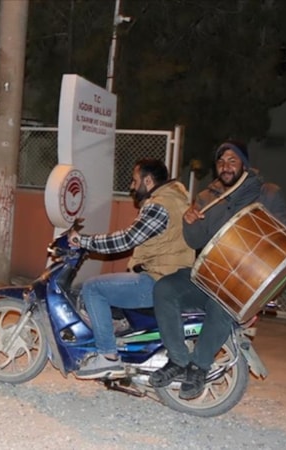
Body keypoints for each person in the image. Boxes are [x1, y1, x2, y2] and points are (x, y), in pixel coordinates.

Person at [149, 140, 286, 398]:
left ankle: (199, 366)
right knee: (165, 288)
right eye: (220, 162)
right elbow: (195, 241)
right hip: (205, 276)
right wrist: (190, 222)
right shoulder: (207, 197)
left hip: (241, 284)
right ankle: (178, 360)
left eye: (232, 160)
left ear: (244, 164)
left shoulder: (267, 193)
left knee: (223, 303)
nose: (225, 167)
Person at [67, 158, 195, 379]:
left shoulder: (159, 204)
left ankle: (108, 356)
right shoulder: (178, 200)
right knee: (115, 284)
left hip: (157, 280)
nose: (132, 186)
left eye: (135, 181)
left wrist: (84, 241)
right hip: (171, 278)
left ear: (148, 180)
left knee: (92, 288)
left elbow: (127, 239)